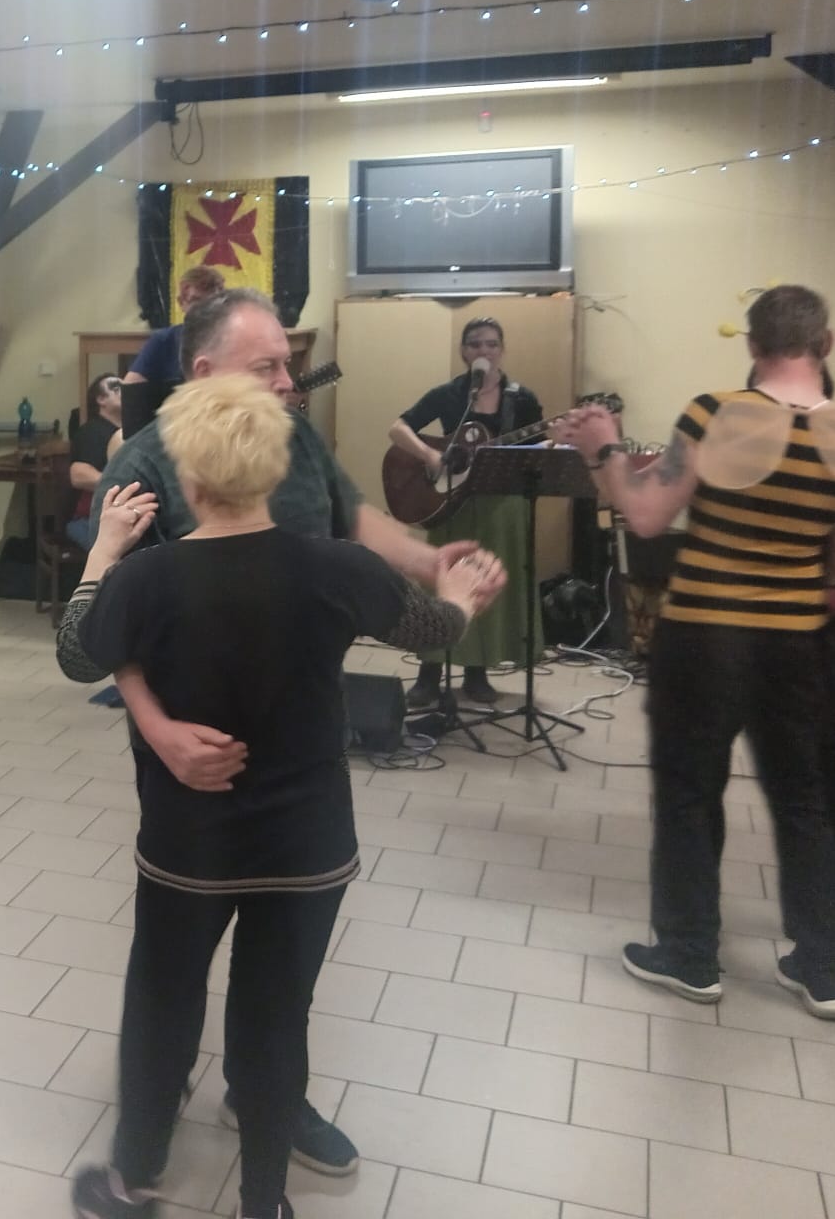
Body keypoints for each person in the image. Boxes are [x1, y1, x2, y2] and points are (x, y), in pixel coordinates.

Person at [57, 375, 505, 1219]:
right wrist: (458, 596)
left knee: (162, 997)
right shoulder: (337, 567)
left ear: (188, 474)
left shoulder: (147, 577)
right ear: (276, 467)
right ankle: (262, 1203)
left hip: (189, 844)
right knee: (275, 1022)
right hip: (307, 844)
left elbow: (79, 653)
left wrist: (103, 551)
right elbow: (435, 630)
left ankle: (132, 1180)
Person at [554, 285, 835, 1020]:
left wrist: (602, 449)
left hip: (703, 637)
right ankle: (825, 970)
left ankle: (689, 957)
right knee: (803, 802)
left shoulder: (712, 413)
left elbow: (645, 516)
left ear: (751, 346)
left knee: (689, 794)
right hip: (797, 643)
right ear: (826, 345)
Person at [388, 317, 544, 706]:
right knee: (441, 582)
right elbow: (398, 428)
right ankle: (429, 673)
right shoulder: (448, 395)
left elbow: (539, 448)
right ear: (463, 351)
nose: (483, 351)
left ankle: (477, 673)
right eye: (474, 344)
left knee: (485, 584)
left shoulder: (522, 399)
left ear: (501, 350)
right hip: (450, 502)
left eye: (491, 344)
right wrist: (429, 454)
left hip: (502, 505)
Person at [124, 265, 225, 386]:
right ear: (182, 302)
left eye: (212, 302)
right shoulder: (163, 341)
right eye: (196, 301)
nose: (205, 308)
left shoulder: (233, 339)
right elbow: (131, 388)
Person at [67, 372, 127, 550]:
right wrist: (124, 483)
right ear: (101, 399)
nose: (125, 391)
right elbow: (78, 475)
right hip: (89, 521)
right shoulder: (91, 432)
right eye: (116, 388)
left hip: (122, 517)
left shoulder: (134, 431)